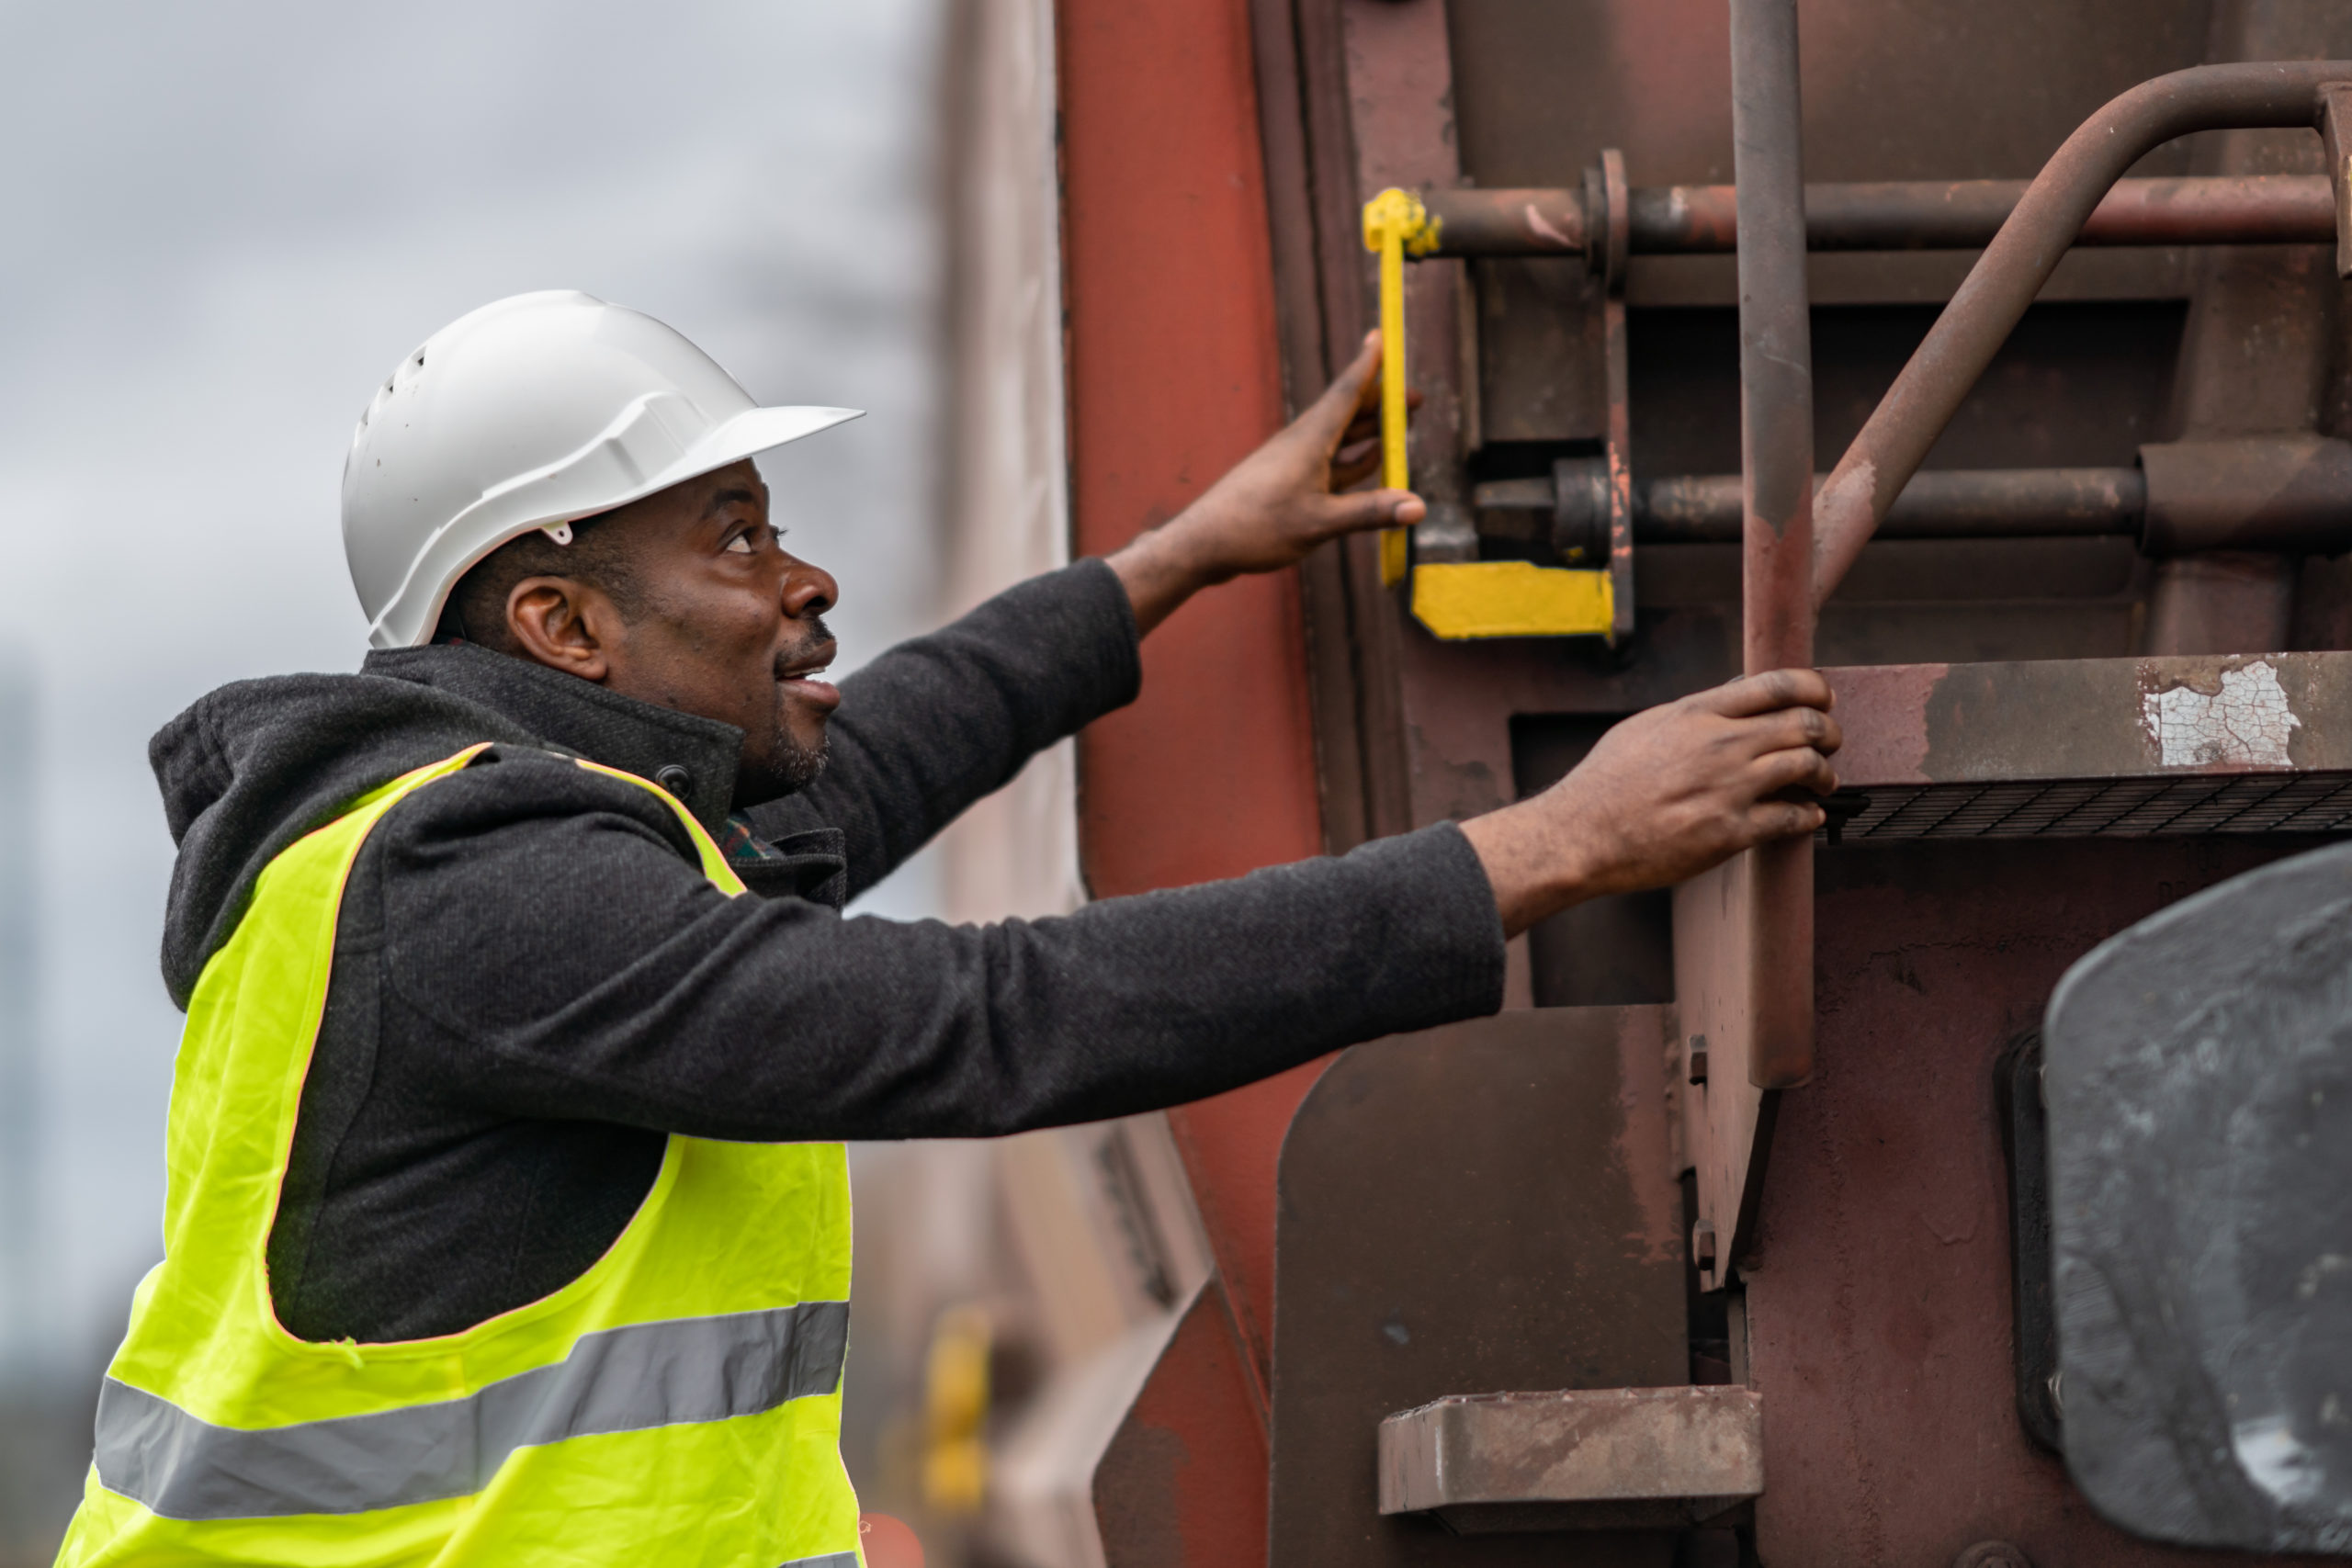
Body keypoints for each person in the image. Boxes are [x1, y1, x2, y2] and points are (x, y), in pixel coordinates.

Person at [58, 291, 1839, 1567]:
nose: (804, 578)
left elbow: (888, 748)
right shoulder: (480, 894)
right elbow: (987, 1019)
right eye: (735, 534)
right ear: (562, 621)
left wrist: (1181, 554)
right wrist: (1538, 846)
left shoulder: (539, 836)